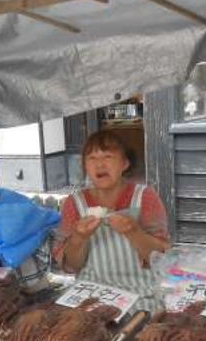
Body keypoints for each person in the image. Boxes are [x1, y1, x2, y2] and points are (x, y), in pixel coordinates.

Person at [55, 130, 170, 311]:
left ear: (125, 163)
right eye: (92, 158)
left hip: (141, 297)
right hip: (90, 297)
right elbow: (71, 265)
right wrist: (79, 237)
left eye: (108, 156)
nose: (99, 164)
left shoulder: (145, 197)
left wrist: (134, 232)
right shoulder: (74, 203)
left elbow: (160, 258)